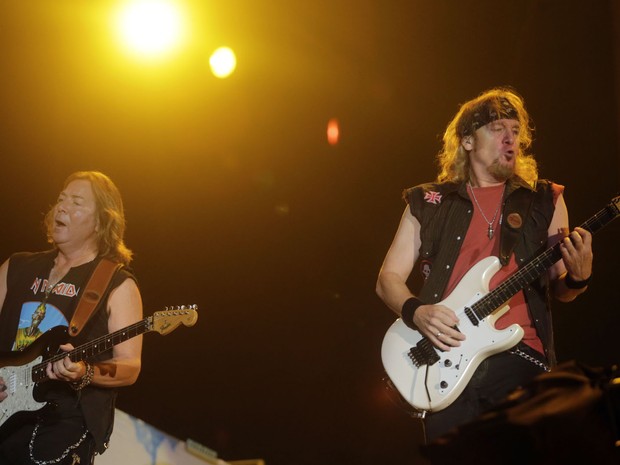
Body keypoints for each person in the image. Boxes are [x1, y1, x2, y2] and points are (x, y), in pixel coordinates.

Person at [376, 87, 593, 443]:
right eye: (497, 129)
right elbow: (388, 278)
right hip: (445, 358)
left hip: (521, 358)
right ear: (467, 141)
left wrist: (579, 279)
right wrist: (418, 312)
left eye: (516, 130)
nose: (511, 139)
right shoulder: (428, 202)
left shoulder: (545, 198)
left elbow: (562, 289)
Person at [0, 171, 143, 464]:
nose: (62, 207)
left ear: (101, 221)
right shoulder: (17, 266)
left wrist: (85, 372)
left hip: (59, 427)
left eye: (76, 202)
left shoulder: (117, 284)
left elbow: (129, 366)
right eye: (61, 199)